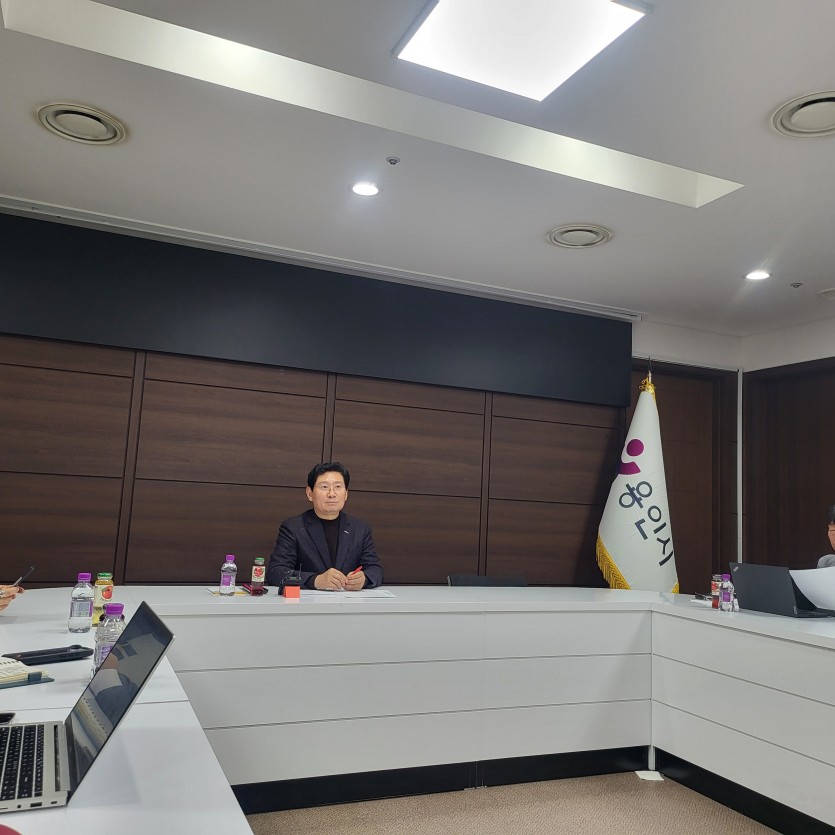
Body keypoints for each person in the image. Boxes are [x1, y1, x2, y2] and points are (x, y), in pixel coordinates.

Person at [267, 462, 383, 591]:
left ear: (346, 494)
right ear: (309, 493)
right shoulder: (293, 527)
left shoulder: (360, 528)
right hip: (308, 601)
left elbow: (375, 569)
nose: (332, 494)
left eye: (338, 487)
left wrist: (364, 578)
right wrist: (315, 580)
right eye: (324, 487)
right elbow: (276, 572)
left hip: (347, 600)